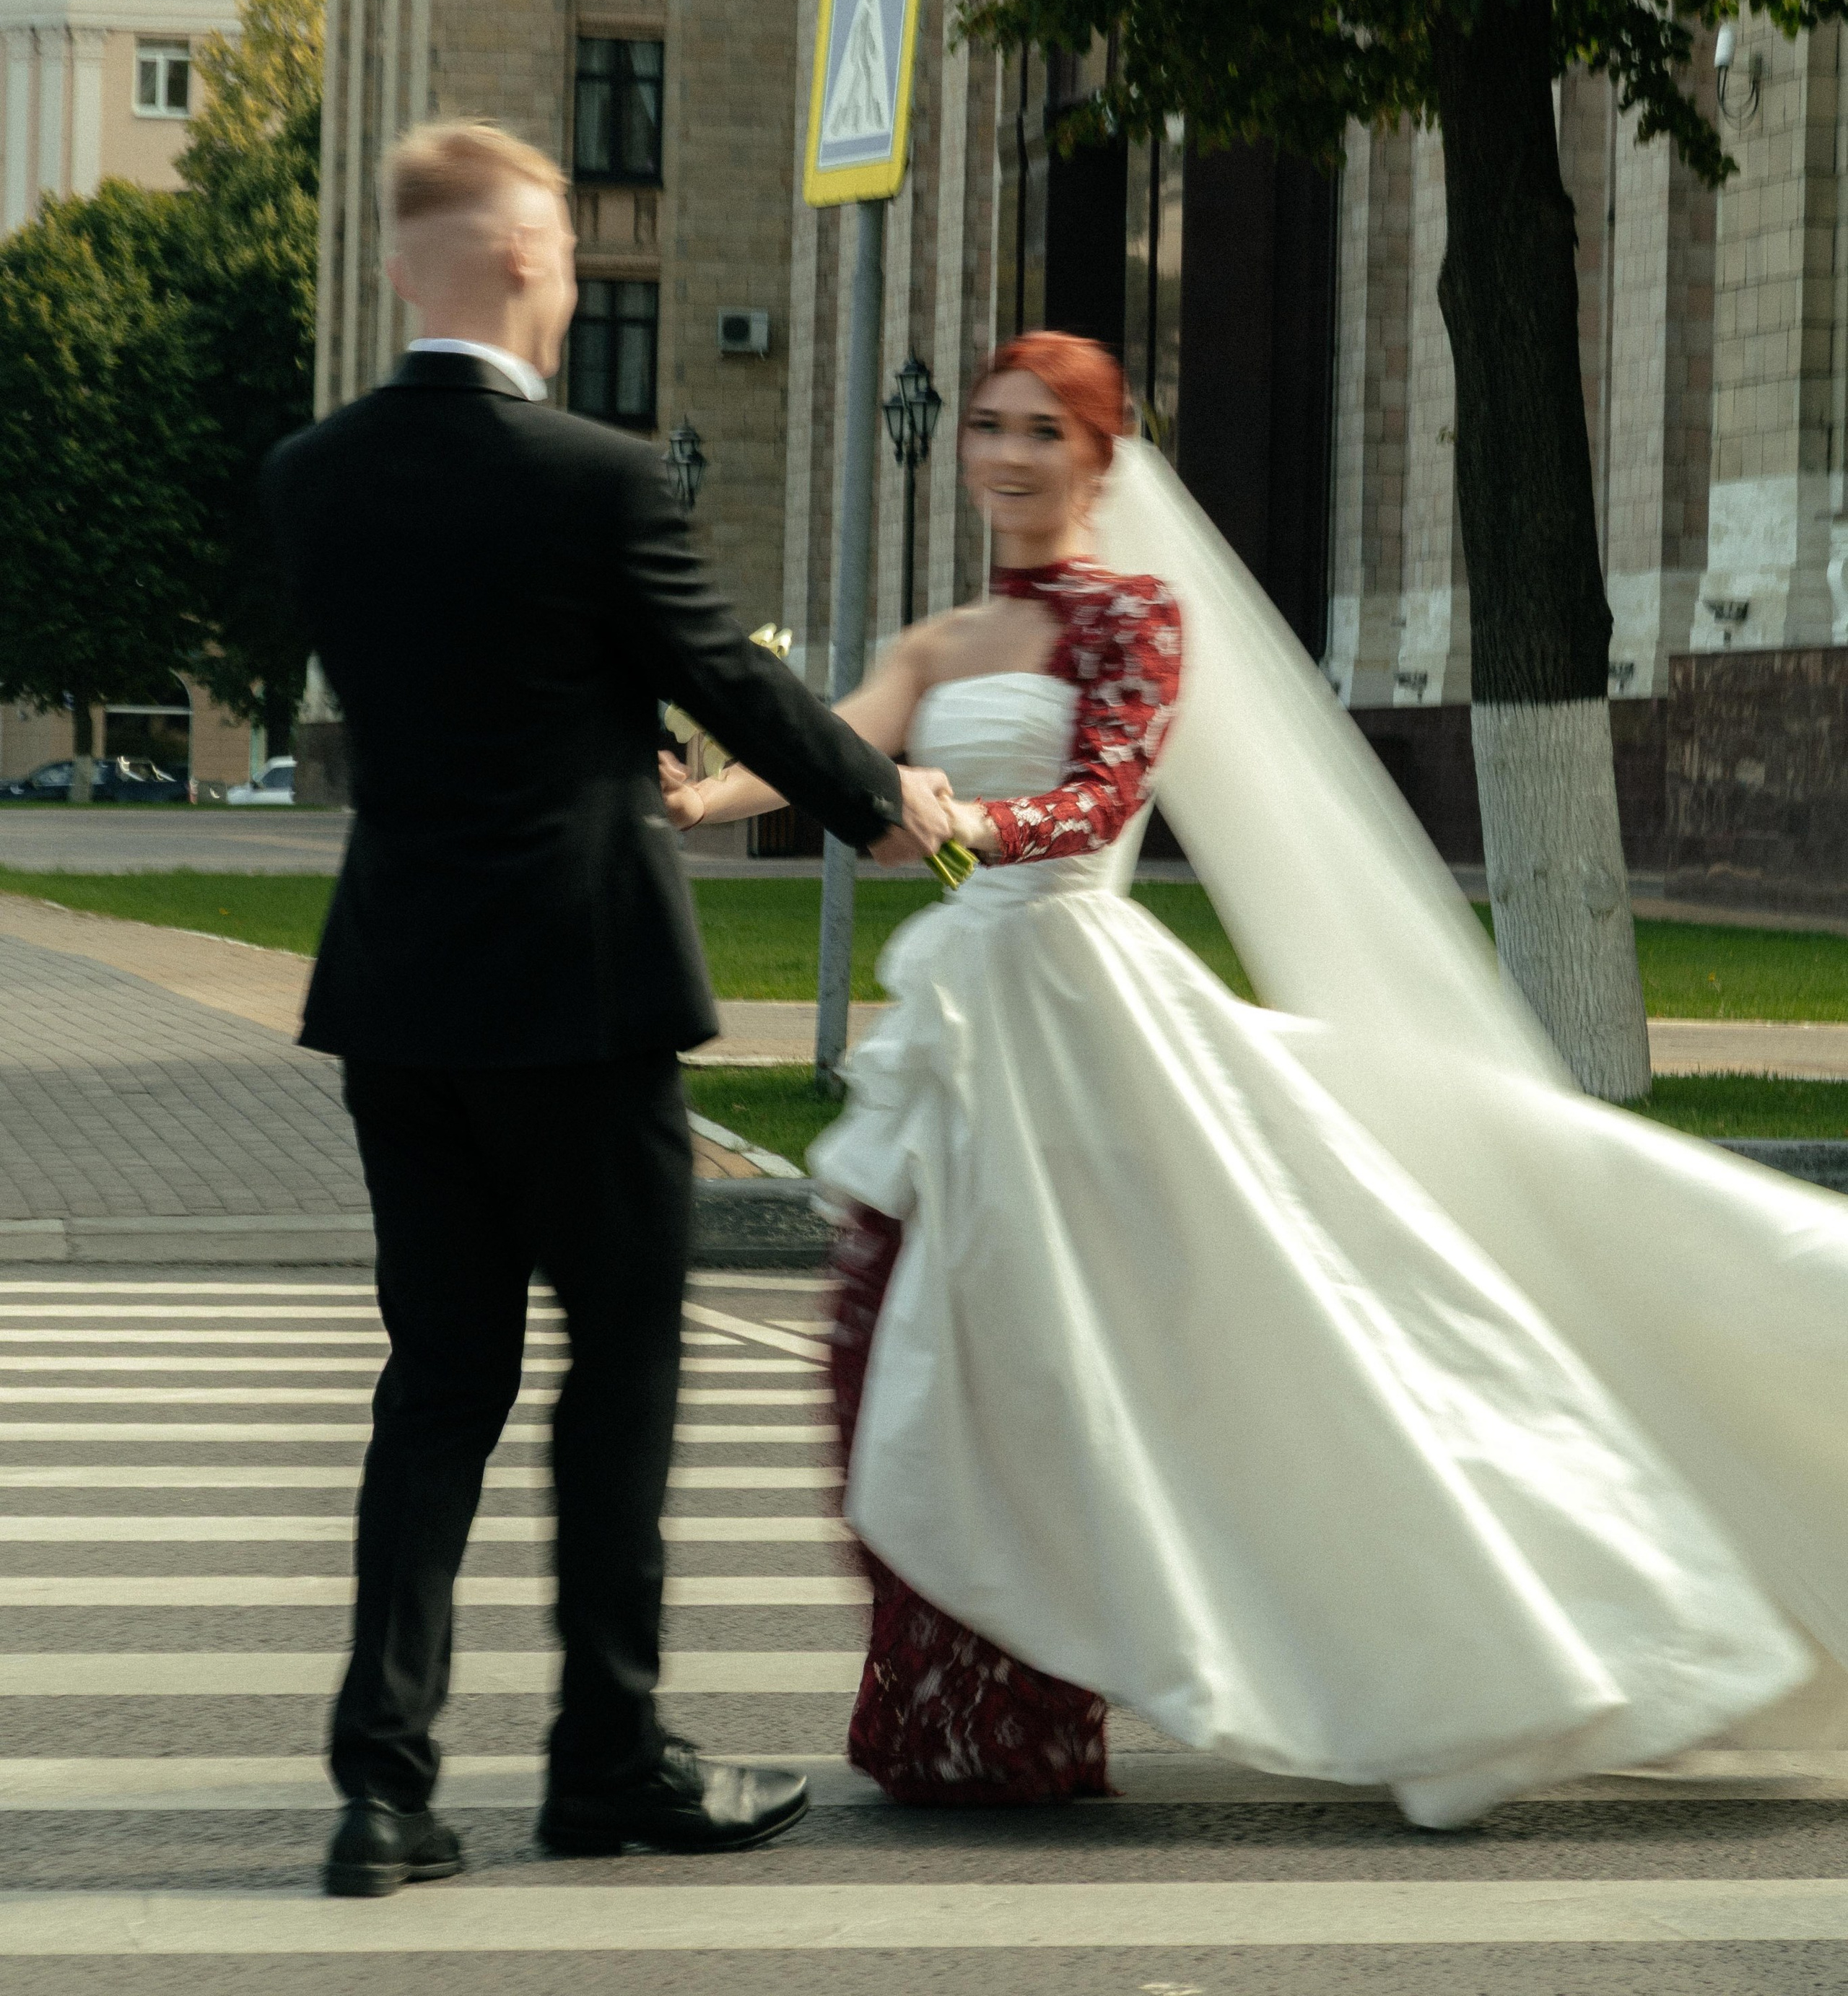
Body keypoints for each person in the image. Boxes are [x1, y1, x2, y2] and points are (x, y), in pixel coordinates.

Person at [667, 326, 1848, 1826]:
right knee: (894, 1353)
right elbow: (831, 753)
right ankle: (959, 1712)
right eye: (988, 426)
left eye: (1043, 431)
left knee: (1168, 1356)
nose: (1008, 455)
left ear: (1099, 458)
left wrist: (972, 827)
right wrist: (697, 795)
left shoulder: (1135, 619)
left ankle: (1462, 1641)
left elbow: (1102, 791)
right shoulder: (941, 641)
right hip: (966, 1023)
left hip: (1090, 1020)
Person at [261, 121, 956, 1896]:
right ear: (505, 257)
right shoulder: (596, 476)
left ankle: (384, 1787)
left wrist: (583, 721)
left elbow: (465, 685)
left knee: (438, 1385)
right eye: (563, 252)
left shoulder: (313, 476)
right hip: (576, 999)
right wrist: (889, 800)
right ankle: (606, 1760)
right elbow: (718, 674)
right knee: (619, 1380)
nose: (573, 284)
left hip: (401, 1002)